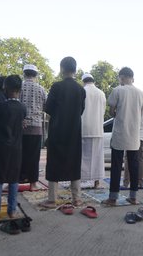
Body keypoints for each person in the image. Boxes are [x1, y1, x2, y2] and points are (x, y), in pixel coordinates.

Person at [40, 57, 85, 208]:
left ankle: (52, 199)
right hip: (74, 130)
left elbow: (48, 108)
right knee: (74, 162)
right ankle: (77, 199)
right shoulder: (80, 89)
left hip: (58, 129)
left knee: (54, 163)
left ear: (61, 69)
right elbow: (81, 110)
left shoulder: (56, 86)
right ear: (75, 70)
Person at [102, 67, 143, 206]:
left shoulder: (118, 90)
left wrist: (120, 114)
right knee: (133, 166)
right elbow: (140, 111)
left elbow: (112, 111)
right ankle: (133, 197)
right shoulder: (141, 93)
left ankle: (113, 198)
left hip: (120, 133)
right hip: (134, 135)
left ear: (123, 77)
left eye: (120, 78)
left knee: (116, 166)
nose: (119, 80)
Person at [0, 75, 27, 221]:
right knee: (13, 178)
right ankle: (12, 211)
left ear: (5, 88)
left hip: (0, 147)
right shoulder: (23, 108)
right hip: (16, 148)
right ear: (19, 89)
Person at [19, 65, 46, 191]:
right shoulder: (40, 89)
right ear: (36, 75)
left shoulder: (19, 86)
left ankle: (15, 181)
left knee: (19, 155)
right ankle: (33, 184)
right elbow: (46, 106)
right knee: (34, 157)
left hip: (20, 126)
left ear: (24, 73)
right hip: (36, 127)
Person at [80, 73, 106, 188]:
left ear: (83, 81)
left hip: (83, 128)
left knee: (82, 157)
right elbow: (103, 111)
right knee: (97, 157)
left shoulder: (82, 91)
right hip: (97, 128)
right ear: (93, 80)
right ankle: (96, 182)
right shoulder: (101, 93)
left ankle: (80, 181)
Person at [123, 105, 143, 189]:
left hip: (130, 136)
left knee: (128, 159)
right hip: (141, 136)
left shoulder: (130, 107)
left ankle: (126, 182)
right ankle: (140, 182)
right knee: (140, 160)